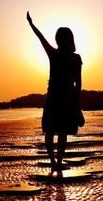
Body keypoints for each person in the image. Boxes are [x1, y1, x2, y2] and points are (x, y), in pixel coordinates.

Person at [26, 11, 83, 174]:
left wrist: (31, 24)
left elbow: (40, 38)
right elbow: (78, 84)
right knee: (62, 132)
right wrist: (77, 104)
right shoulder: (75, 58)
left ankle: (53, 162)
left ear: (58, 39)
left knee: (51, 131)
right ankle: (57, 162)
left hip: (53, 97)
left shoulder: (54, 54)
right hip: (67, 98)